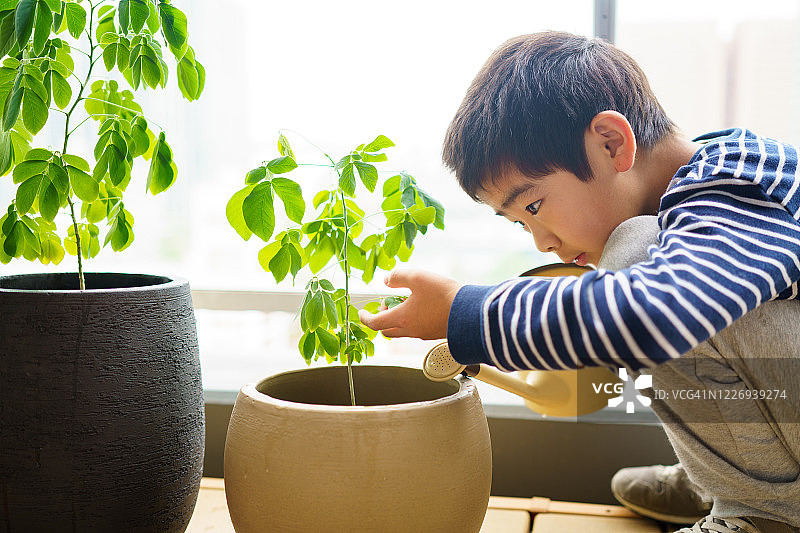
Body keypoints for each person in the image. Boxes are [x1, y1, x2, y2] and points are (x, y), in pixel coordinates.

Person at [358, 31, 800, 533]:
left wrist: (468, 313)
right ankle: (729, 479)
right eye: (522, 224)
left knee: (637, 256)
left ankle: (766, 509)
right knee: (638, 259)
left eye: (534, 207)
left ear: (612, 143)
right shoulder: (704, 183)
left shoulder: (739, 189)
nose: (542, 242)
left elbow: (657, 314)